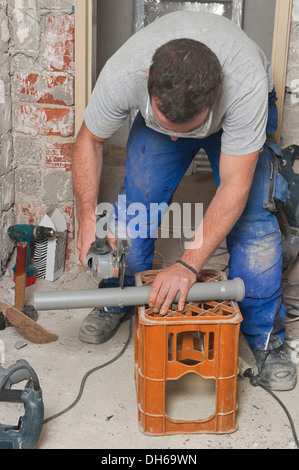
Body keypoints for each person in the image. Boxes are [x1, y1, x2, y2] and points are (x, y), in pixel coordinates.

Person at [72, 11, 296, 391]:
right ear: (149, 85)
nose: (174, 140)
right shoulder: (124, 72)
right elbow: (89, 141)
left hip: (236, 116)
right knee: (136, 206)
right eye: (163, 124)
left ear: (214, 98)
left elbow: (234, 187)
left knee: (256, 222)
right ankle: (118, 295)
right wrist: (86, 220)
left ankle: (264, 338)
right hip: (177, 94)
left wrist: (188, 265)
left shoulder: (244, 87)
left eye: (186, 131)